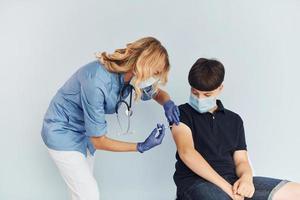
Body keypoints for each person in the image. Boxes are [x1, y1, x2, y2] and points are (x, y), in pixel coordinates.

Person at [41, 37, 180, 200]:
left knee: (82, 193)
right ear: (142, 65)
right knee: (88, 194)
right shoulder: (97, 80)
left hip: (85, 132)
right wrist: (140, 146)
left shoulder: (133, 78)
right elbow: (98, 141)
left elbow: (156, 93)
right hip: (61, 131)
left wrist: (167, 102)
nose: (153, 80)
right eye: (154, 73)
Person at [171, 58, 300, 200]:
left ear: (220, 88)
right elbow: (186, 152)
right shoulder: (180, 113)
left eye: (207, 95)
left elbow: (241, 161)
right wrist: (227, 188)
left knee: (296, 191)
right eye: (195, 93)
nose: (200, 98)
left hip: (232, 181)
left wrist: (246, 179)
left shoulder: (234, 120)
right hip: (196, 183)